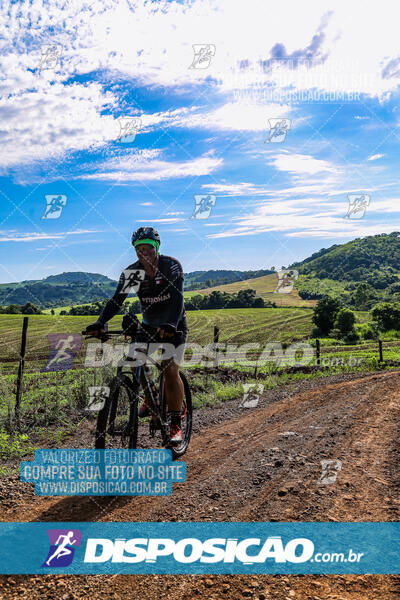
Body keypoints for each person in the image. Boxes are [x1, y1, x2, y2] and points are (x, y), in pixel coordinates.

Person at [85, 226, 187, 443]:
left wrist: (170, 324)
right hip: (149, 325)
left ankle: (175, 422)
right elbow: (116, 300)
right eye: (139, 248)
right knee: (134, 359)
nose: (144, 252)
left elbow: (178, 298)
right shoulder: (133, 273)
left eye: (148, 247)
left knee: (170, 368)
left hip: (174, 324)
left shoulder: (171, 266)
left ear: (156, 247)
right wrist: (100, 322)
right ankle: (151, 398)